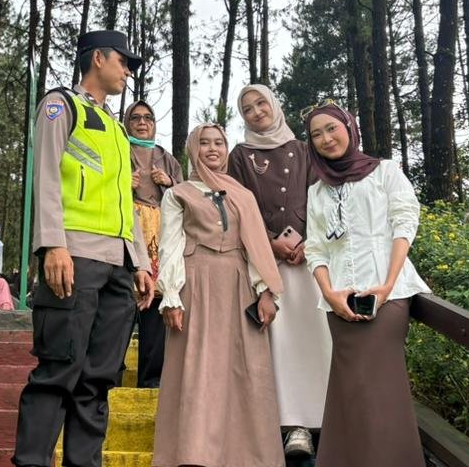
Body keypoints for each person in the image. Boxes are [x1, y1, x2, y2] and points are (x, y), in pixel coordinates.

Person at [12, 30, 154, 467]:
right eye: (123, 61)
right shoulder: (61, 105)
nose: (128, 71)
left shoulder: (115, 127)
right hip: (73, 260)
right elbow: (46, 177)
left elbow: (122, 201)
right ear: (97, 59)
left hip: (117, 269)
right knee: (58, 372)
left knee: (97, 382)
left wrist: (141, 263)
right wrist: (52, 245)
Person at [303, 104, 430, 467]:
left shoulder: (385, 172)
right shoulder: (318, 190)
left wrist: (387, 285)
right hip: (338, 301)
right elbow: (316, 247)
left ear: (348, 126)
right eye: (316, 134)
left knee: (378, 391)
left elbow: (405, 223)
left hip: (386, 297)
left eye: (332, 128)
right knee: (350, 393)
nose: (326, 139)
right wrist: (329, 292)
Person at [152, 124, 285, 467]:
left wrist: (264, 291)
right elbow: (170, 246)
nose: (212, 149)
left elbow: (253, 245)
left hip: (239, 284)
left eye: (219, 143)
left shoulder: (242, 194)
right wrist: (171, 295)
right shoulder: (178, 193)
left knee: (245, 369)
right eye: (204, 143)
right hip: (196, 283)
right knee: (197, 368)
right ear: (193, 149)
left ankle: (248, 457)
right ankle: (194, 453)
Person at [227, 84, 330, 459]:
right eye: (247, 108)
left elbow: (321, 198)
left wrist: (309, 241)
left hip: (308, 259)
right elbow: (238, 205)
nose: (256, 112)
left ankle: (325, 419)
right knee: (281, 344)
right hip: (266, 261)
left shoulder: (304, 150)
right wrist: (269, 242)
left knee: (316, 338)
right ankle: (293, 425)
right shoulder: (240, 155)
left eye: (261, 103)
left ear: (274, 105)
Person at [124, 99, 184, 388]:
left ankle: (151, 378)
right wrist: (124, 185)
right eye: (135, 117)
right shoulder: (120, 150)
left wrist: (170, 183)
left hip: (161, 232)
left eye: (148, 117)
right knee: (124, 302)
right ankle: (111, 374)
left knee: (155, 302)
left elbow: (186, 196)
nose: (142, 122)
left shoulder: (166, 157)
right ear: (127, 122)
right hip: (128, 227)